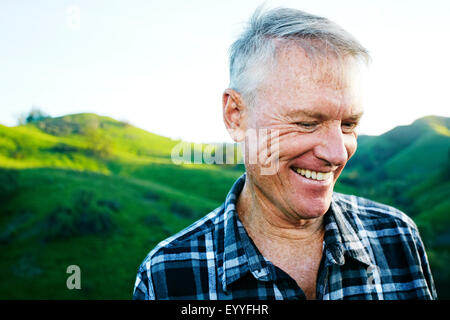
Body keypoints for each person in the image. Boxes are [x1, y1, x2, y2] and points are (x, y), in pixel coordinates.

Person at [133, 6, 437, 300]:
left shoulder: (398, 236)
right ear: (235, 115)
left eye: (348, 124)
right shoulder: (167, 275)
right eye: (306, 123)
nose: (336, 154)